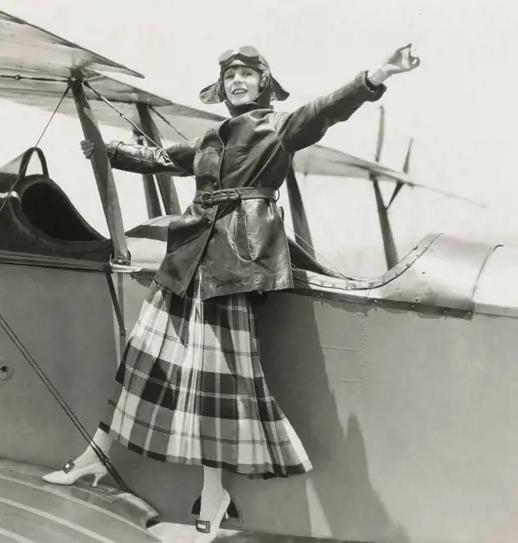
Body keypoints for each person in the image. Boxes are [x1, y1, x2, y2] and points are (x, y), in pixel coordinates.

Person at [43, 43, 420, 542]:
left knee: (216, 386)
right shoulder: (209, 138)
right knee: (141, 361)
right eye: (230, 76)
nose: (237, 82)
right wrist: (107, 151)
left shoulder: (278, 127)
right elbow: (159, 156)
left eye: (246, 74)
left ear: (264, 82)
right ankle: (95, 457)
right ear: (220, 87)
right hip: (186, 262)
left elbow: (327, 109)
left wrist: (379, 74)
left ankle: (215, 497)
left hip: (233, 269)